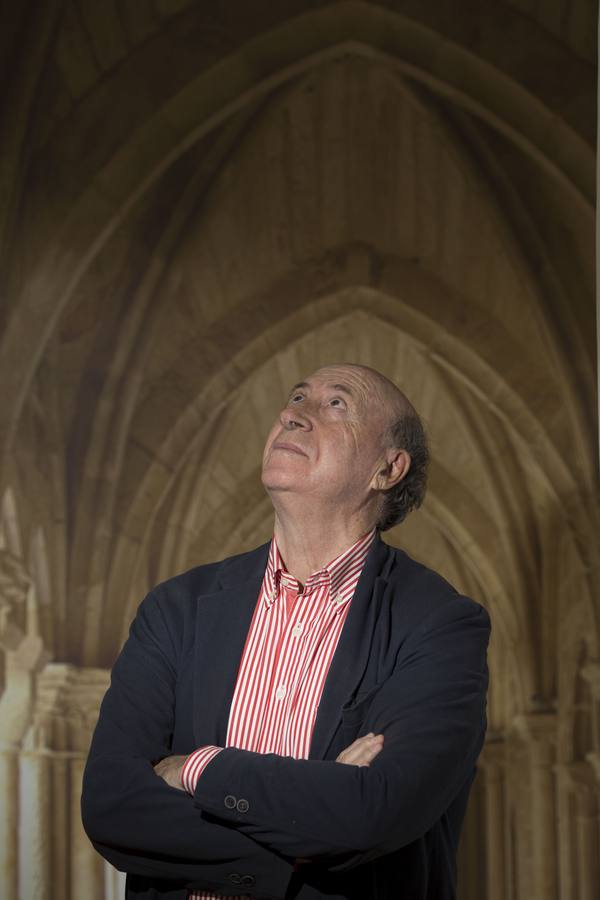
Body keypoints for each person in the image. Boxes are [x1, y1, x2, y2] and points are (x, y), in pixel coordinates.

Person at [81, 363, 490, 900]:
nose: (293, 414)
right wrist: (305, 840)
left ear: (387, 469)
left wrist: (196, 769)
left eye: (336, 404)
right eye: (297, 398)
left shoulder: (440, 624)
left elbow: (375, 810)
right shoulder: (177, 608)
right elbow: (112, 805)